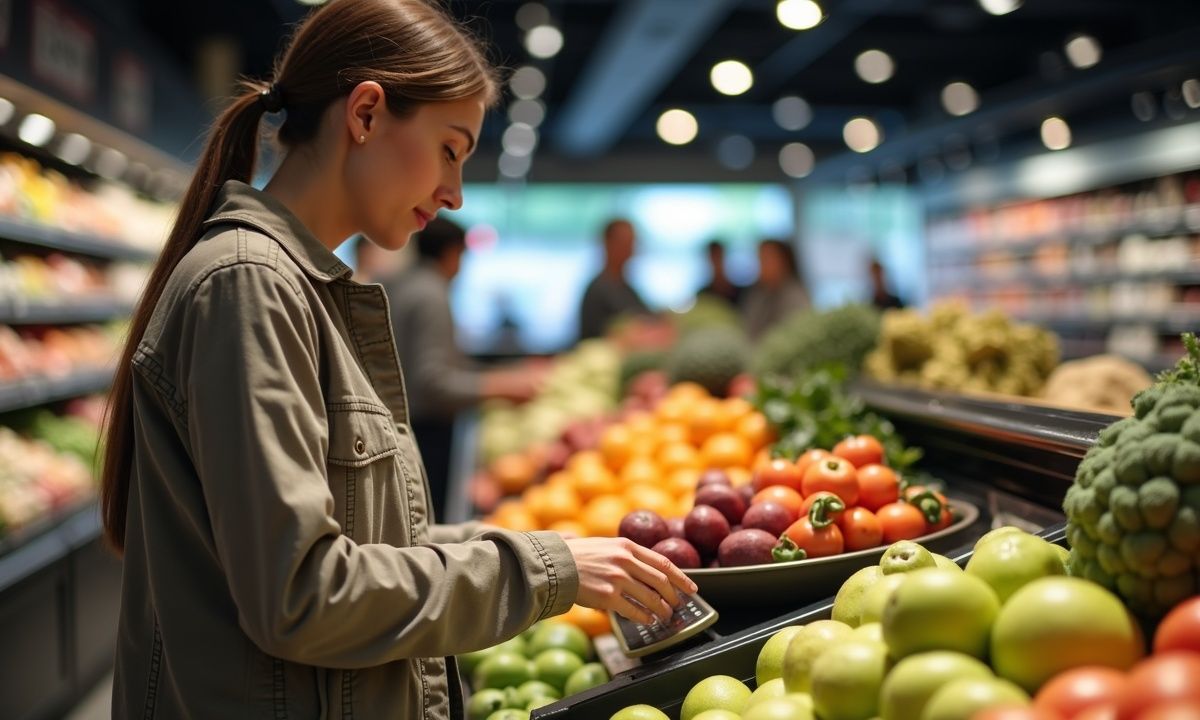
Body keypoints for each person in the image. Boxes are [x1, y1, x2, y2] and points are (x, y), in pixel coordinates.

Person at [98, 3, 695, 718]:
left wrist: (552, 550)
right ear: (366, 114)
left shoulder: (298, 287)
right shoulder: (249, 286)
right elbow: (302, 593)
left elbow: (370, 542)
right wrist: (543, 569)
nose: (455, 194)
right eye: (450, 149)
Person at [358, 217, 544, 521]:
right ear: (451, 253)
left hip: (393, 421)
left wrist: (505, 375)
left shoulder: (403, 283)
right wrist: (500, 388)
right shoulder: (431, 294)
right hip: (423, 429)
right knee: (429, 517)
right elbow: (433, 382)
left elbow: (444, 362)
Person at [577, 217, 651, 340]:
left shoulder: (626, 288)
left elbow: (647, 318)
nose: (630, 248)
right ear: (607, 243)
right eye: (624, 242)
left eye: (632, 242)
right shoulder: (598, 290)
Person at [742, 239, 811, 340]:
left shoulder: (795, 297)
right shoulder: (759, 294)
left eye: (766, 259)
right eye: (760, 259)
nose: (761, 266)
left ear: (785, 262)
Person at [697, 240, 744, 307]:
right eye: (714, 257)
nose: (717, 261)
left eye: (718, 256)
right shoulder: (703, 295)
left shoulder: (741, 293)